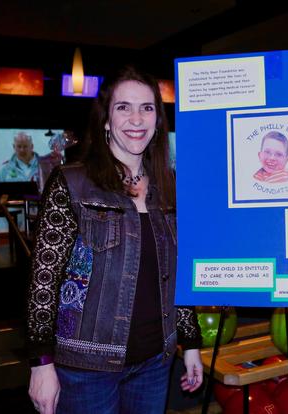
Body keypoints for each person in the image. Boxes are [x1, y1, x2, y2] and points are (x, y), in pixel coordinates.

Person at [26, 65, 203, 414]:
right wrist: (41, 363)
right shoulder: (72, 183)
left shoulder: (170, 187)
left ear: (158, 120)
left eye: (147, 108)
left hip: (155, 361)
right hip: (86, 366)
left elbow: (178, 274)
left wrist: (191, 343)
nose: (136, 119)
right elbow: (44, 279)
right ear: (106, 120)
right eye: (124, 107)